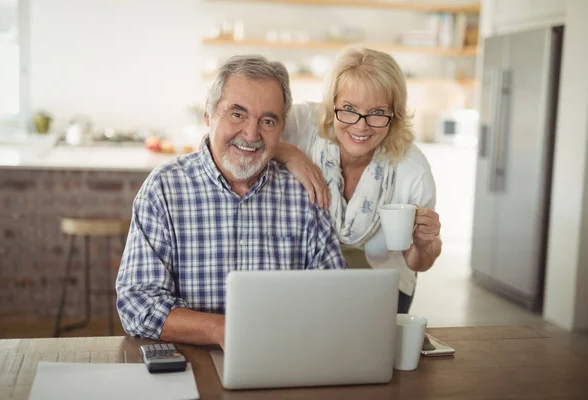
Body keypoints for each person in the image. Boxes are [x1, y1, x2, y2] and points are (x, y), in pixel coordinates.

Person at [116, 55, 345, 348]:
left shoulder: (303, 195)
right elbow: (137, 303)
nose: (251, 133)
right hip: (188, 366)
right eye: (237, 114)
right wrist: (219, 330)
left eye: (268, 120)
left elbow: (336, 298)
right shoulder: (164, 189)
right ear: (208, 115)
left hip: (281, 362)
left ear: (281, 127)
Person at [276, 47, 442, 313]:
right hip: (308, 284)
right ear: (332, 104)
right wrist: (288, 153)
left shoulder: (412, 170)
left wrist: (425, 243)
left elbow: (418, 262)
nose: (361, 126)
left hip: (383, 290)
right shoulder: (303, 123)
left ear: (394, 114)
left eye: (377, 112)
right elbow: (235, 140)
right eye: (349, 109)